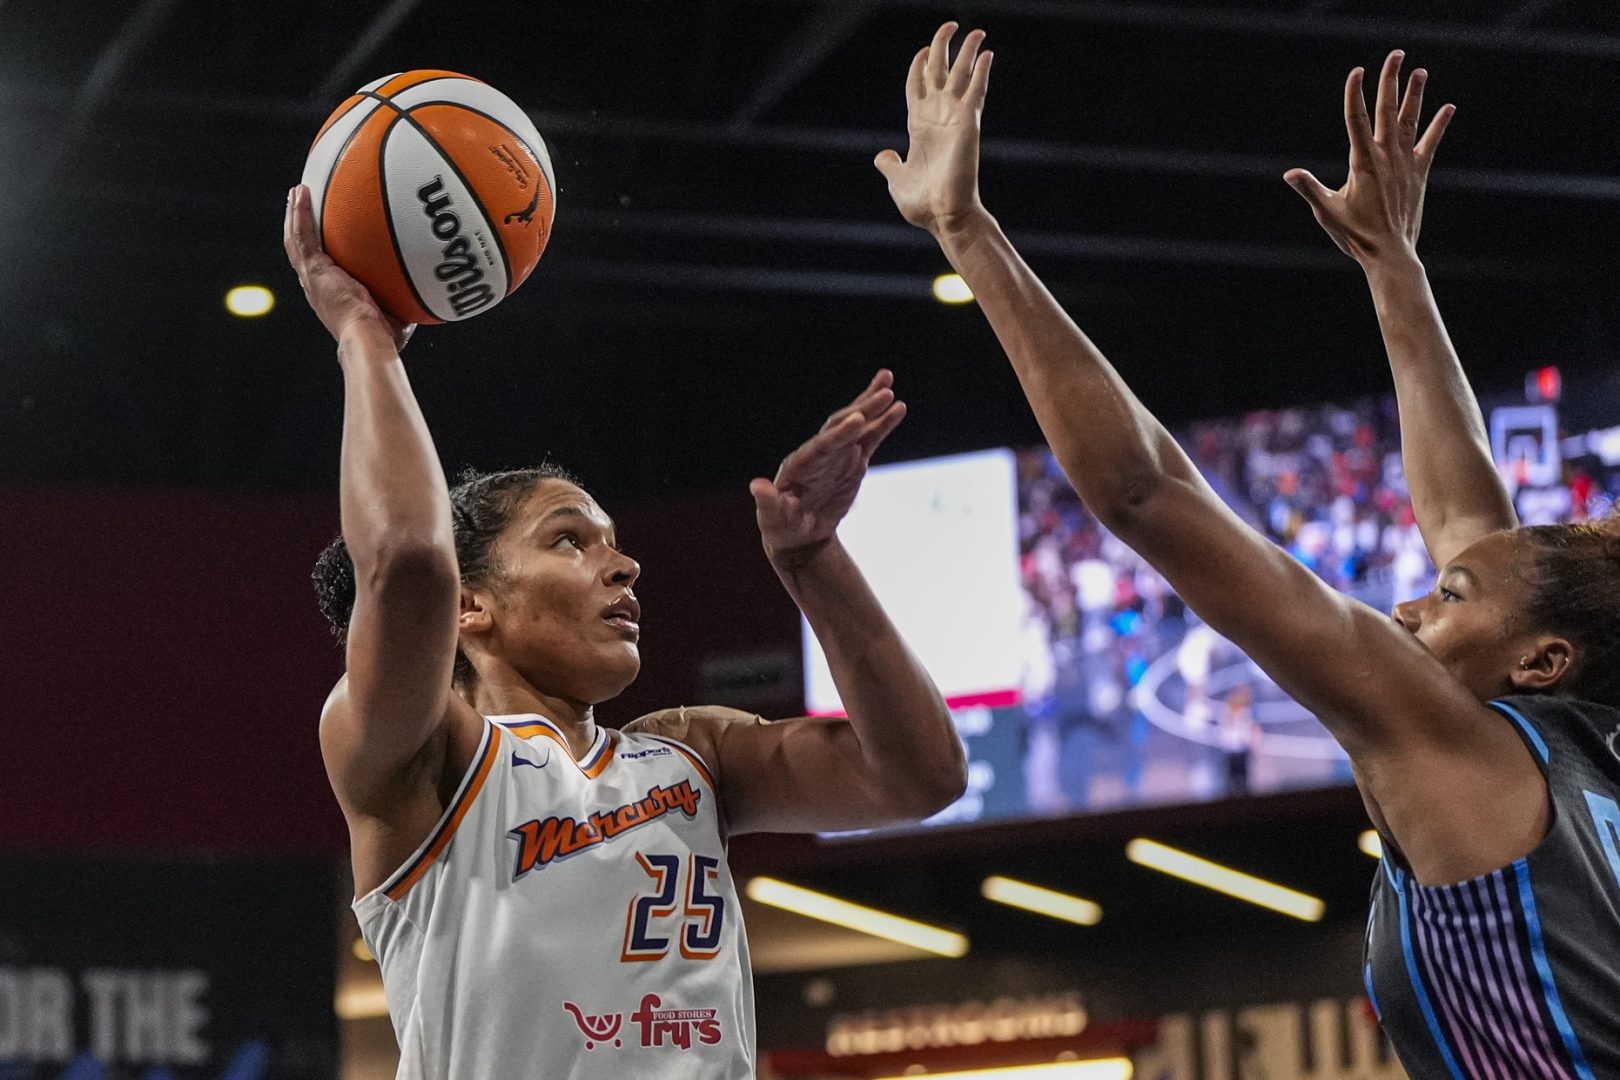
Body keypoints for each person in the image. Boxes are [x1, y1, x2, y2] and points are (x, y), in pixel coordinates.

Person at [877, 25, 1620, 1078]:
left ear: (1540, 662)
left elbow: (1145, 491)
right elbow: (1469, 515)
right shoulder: (1596, 761)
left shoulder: (1455, 744)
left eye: (1446, 597)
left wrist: (966, 228)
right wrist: (1392, 264)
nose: (1410, 606)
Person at [282, 183, 966, 1080]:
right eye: (570, 540)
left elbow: (921, 775)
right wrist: (367, 337)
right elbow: (410, 561)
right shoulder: (424, 762)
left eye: (615, 541)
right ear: (471, 605)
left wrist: (814, 563)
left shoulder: (693, 757)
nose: (623, 565)